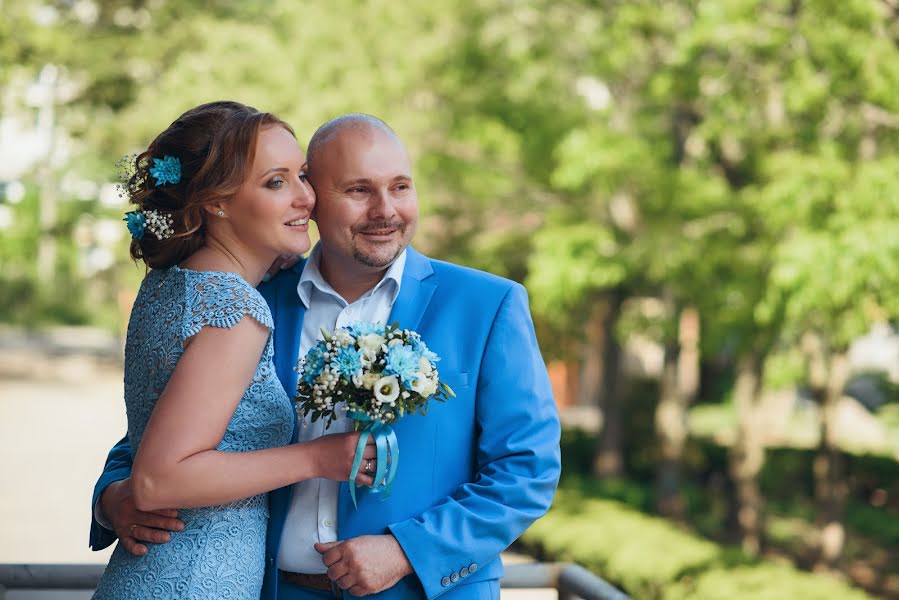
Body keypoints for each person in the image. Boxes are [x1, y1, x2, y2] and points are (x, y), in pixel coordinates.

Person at [90, 113, 562, 599]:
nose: (386, 210)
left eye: (400, 187)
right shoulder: (253, 298)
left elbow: (527, 470)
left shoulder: (485, 304)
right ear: (312, 198)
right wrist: (115, 498)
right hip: (269, 590)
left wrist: (407, 551)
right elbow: (155, 433)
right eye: (359, 191)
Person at [90, 102, 375, 600]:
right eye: (275, 182)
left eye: (302, 176)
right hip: (195, 582)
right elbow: (159, 479)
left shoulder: (170, 285)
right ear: (216, 201)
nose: (305, 198)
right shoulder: (235, 309)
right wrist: (318, 458)